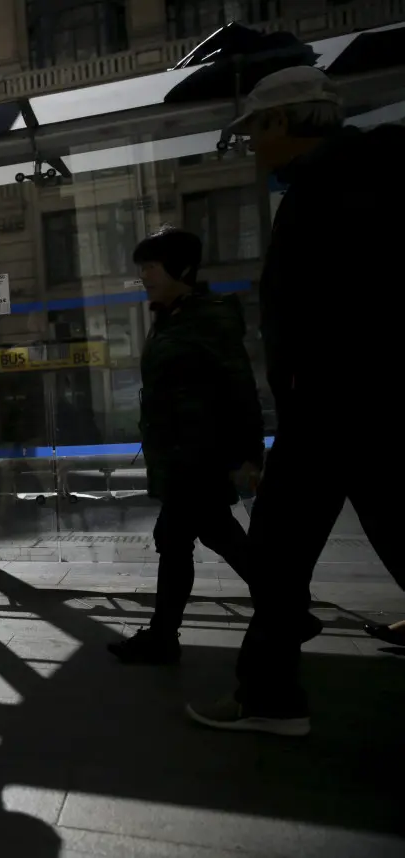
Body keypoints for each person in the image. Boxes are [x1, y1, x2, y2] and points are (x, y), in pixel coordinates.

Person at [186, 66, 405, 735]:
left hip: (338, 404)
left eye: (255, 128)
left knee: (278, 554)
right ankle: (269, 693)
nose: (252, 144)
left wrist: (309, 379)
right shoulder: (363, 176)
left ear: (283, 123)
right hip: (355, 402)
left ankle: (271, 697)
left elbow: (336, 302)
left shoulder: (333, 189)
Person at [107, 227, 308, 665]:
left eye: (152, 266)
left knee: (183, 538)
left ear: (182, 269)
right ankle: (286, 610)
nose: (144, 275)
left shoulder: (208, 317)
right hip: (183, 454)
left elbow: (241, 387)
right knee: (204, 536)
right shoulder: (172, 317)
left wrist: (251, 453)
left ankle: (169, 637)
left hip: (200, 454)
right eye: (141, 267)